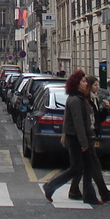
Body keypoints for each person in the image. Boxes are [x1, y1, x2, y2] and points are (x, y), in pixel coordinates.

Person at [41, 70, 100, 205]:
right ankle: (50, 186)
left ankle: (89, 196)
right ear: (76, 84)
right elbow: (78, 123)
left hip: (80, 138)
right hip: (76, 139)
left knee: (87, 167)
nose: (86, 84)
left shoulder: (79, 98)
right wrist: (84, 143)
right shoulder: (74, 100)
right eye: (83, 81)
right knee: (76, 168)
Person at [69, 75, 110, 203]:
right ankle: (104, 193)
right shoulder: (83, 100)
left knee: (81, 166)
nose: (98, 87)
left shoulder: (94, 99)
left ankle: (74, 190)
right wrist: (83, 141)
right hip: (85, 136)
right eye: (95, 85)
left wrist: (106, 109)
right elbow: (81, 122)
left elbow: (98, 120)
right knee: (93, 165)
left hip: (90, 135)